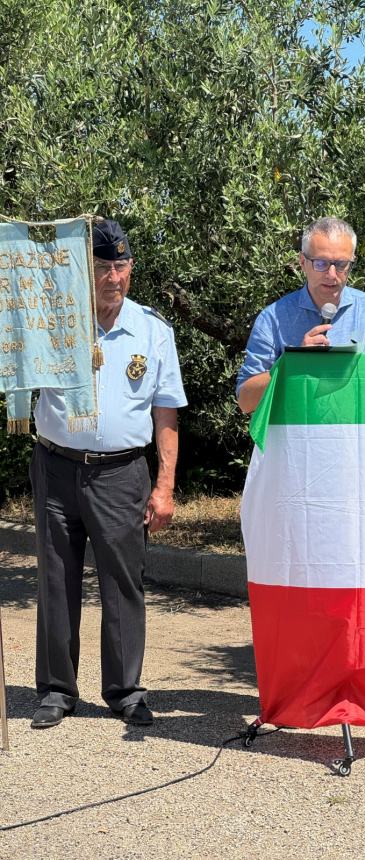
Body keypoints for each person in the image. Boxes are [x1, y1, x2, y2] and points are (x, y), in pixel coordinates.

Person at [30, 219, 187, 729]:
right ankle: (56, 689)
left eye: (120, 265)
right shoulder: (51, 323)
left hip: (122, 474)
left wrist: (164, 487)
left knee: (123, 583)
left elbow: (166, 415)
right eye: (101, 267)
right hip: (56, 467)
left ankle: (125, 690)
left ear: (131, 269)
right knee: (56, 578)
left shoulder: (153, 331)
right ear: (84, 270)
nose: (112, 276)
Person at [236, 217, 365, 413]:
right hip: (299, 438)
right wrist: (294, 365)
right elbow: (246, 402)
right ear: (303, 262)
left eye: (342, 264)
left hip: (361, 439)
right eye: (321, 263)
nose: (332, 274)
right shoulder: (273, 319)